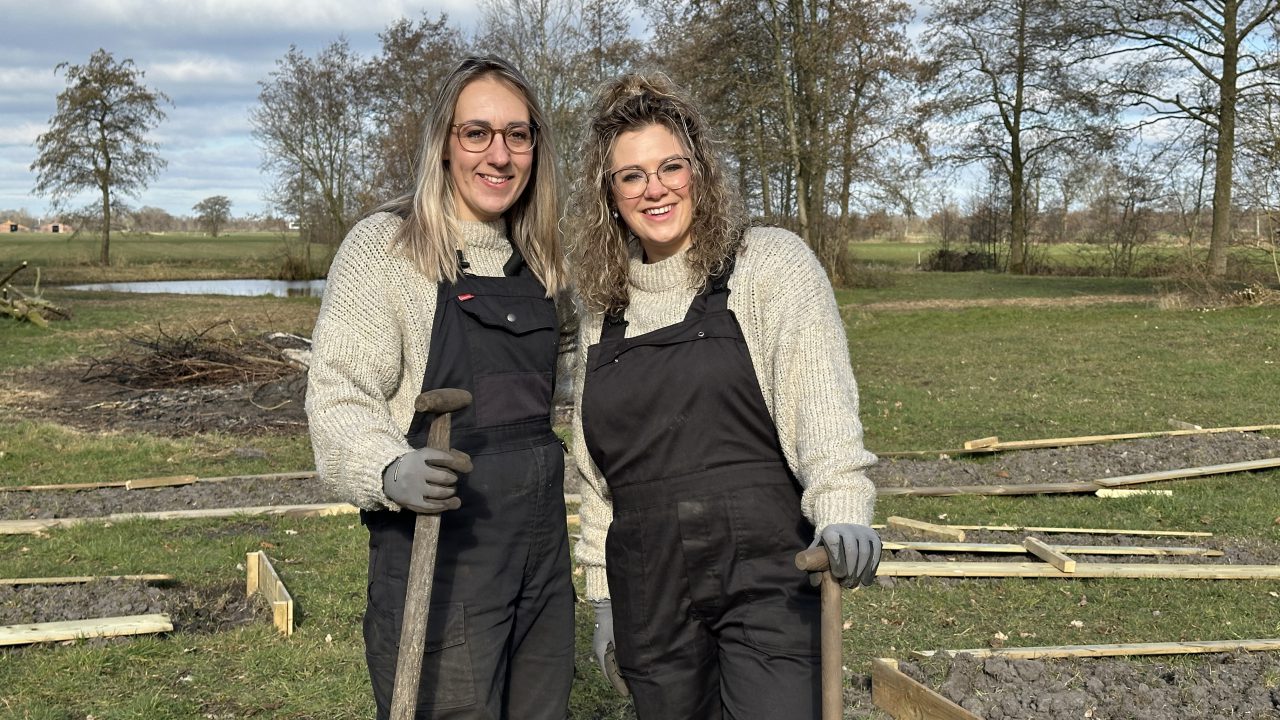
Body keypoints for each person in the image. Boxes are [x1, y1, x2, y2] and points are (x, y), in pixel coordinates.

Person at [565, 72, 883, 719]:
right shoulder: (604, 310)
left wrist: (843, 506)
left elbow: (820, 405)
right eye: (631, 176)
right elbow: (599, 475)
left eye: (670, 166)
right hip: (648, 590)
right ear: (610, 195)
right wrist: (603, 598)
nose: (654, 188)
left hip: (769, 573)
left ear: (700, 171)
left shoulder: (769, 265)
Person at [306, 56, 574, 720]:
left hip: (541, 563)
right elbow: (339, 393)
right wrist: (387, 465)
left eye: (518, 134)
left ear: (537, 147)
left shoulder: (544, 262)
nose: (500, 154)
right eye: (476, 132)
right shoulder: (387, 249)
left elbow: (583, 384)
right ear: (444, 146)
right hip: (440, 557)